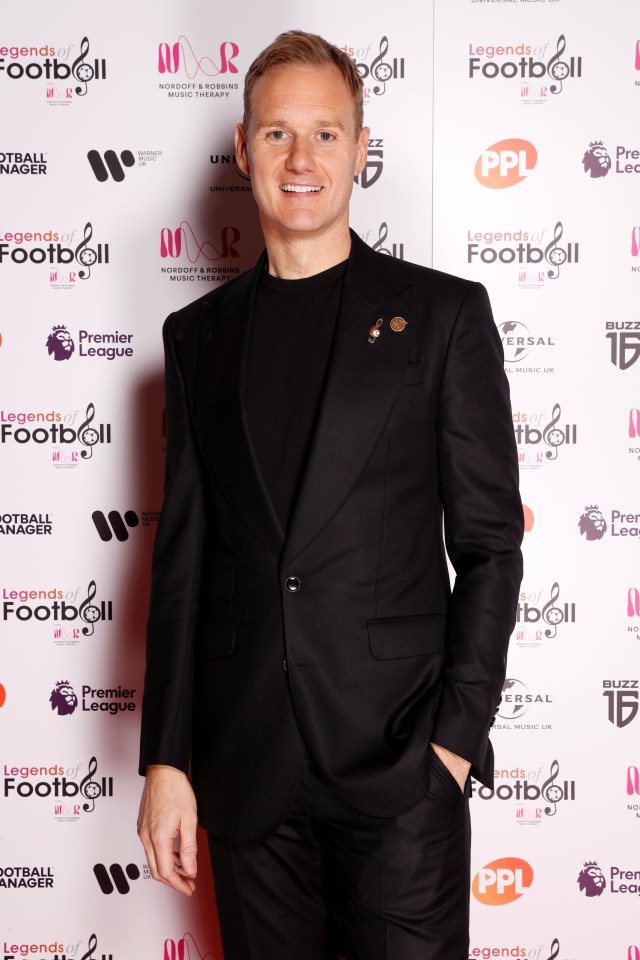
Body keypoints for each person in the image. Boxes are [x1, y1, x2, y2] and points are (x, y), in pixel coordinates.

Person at [137, 29, 523, 960]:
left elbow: (490, 545)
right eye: (277, 135)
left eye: (324, 134)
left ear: (359, 148)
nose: (300, 158)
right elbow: (184, 558)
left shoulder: (441, 317)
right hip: (246, 772)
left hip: (401, 769)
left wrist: (453, 744)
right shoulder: (196, 339)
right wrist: (168, 759)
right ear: (243, 149)